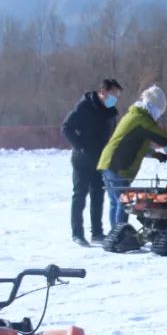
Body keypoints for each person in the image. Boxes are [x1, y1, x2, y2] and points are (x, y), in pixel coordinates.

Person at [97, 85, 167, 229]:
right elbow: (163, 137)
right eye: (159, 112)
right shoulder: (141, 119)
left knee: (115, 201)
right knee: (123, 201)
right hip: (117, 165)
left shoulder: (134, 115)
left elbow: (134, 144)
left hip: (108, 163)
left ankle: (115, 233)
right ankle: (121, 234)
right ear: (153, 107)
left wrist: (155, 154)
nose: (158, 116)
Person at [61, 78, 122, 246]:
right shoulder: (84, 106)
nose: (114, 98)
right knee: (80, 194)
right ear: (103, 92)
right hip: (82, 159)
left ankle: (97, 232)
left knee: (98, 195)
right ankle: (77, 233)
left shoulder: (110, 112)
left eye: (117, 96)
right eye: (113, 94)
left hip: (100, 159)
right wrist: (80, 146)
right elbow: (66, 127)